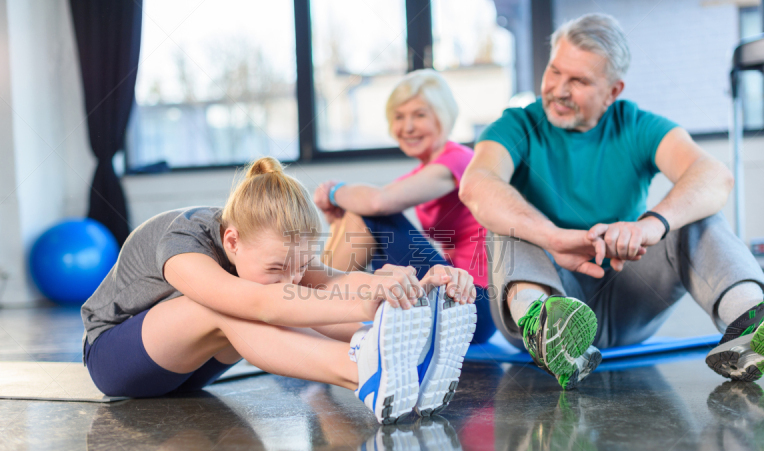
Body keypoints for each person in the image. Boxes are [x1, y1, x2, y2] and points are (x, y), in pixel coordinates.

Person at [459, 13, 764, 390]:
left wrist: (648, 225)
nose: (558, 90)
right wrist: (553, 238)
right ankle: (545, 326)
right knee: (505, 218)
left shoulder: (635, 124)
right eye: (555, 72)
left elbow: (715, 175)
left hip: (628, 298)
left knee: (692, 214)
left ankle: (751, 320)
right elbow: (476, 184)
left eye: (579, 81)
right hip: (547, 288)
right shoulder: (517, 125)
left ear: (613, 91)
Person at [80, 156, 478, 424]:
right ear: (232, 241)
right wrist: (368, 298)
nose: (290, 276)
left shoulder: (281, 257)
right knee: (232, 306)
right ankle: (364, 369)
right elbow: (259, 302)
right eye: (275, 266)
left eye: (299, 264)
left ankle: (390, 348)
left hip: (187, 373)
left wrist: (409, 288)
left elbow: (334, 282)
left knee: (301, 298)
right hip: (116, 358)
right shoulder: (183, 240)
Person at [313, 69, 496, 344]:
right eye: (399, 117)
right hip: (454, 298)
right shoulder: (422, 174)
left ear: (442, 117)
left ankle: (309, 309)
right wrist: (333, 217)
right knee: (367, 216)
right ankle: (312, 308)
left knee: (373, 212)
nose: (407, 127)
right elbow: (360, 230)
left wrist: (334, 191)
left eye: (419, 115)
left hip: (475, 305)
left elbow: (377, 202)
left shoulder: (459, 159)